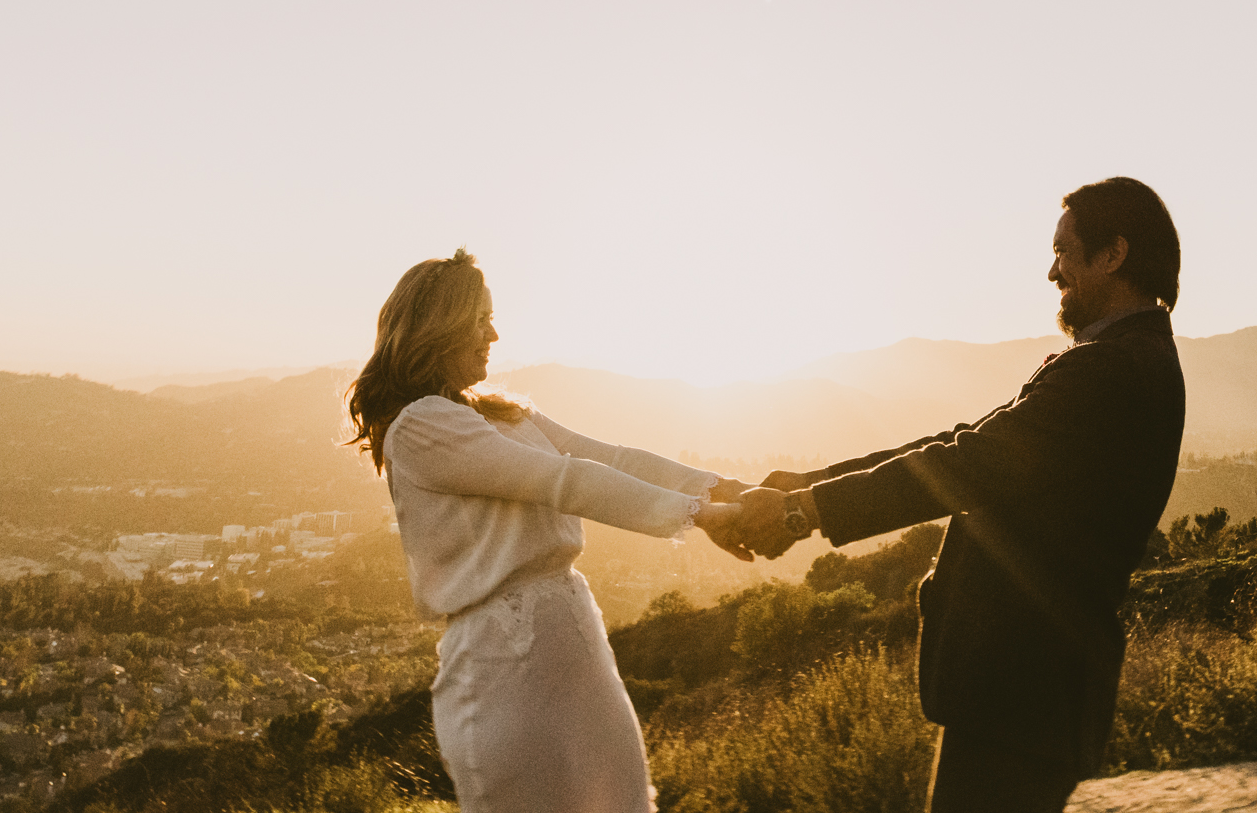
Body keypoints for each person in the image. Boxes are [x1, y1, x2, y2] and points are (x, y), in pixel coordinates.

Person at [729, 177, 1187, 813]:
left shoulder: (1107, 370)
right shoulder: (1129, 357)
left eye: (1064, 251)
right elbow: (962, 441)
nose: (1052, 270)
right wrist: (805, 485)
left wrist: (800, 511)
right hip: (1033, 689)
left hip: (1023, 686)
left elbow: (966, 463)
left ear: (1113, 254)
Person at [346, 249, 751, 813]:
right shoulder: (420, 428)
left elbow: (608, 456)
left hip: (578, 648)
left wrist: (721, 489)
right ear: (442, 328)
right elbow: (564, 481)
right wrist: (697, 516)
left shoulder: (503, 413)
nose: (494, 332)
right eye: (481, 318)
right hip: (502, 672)